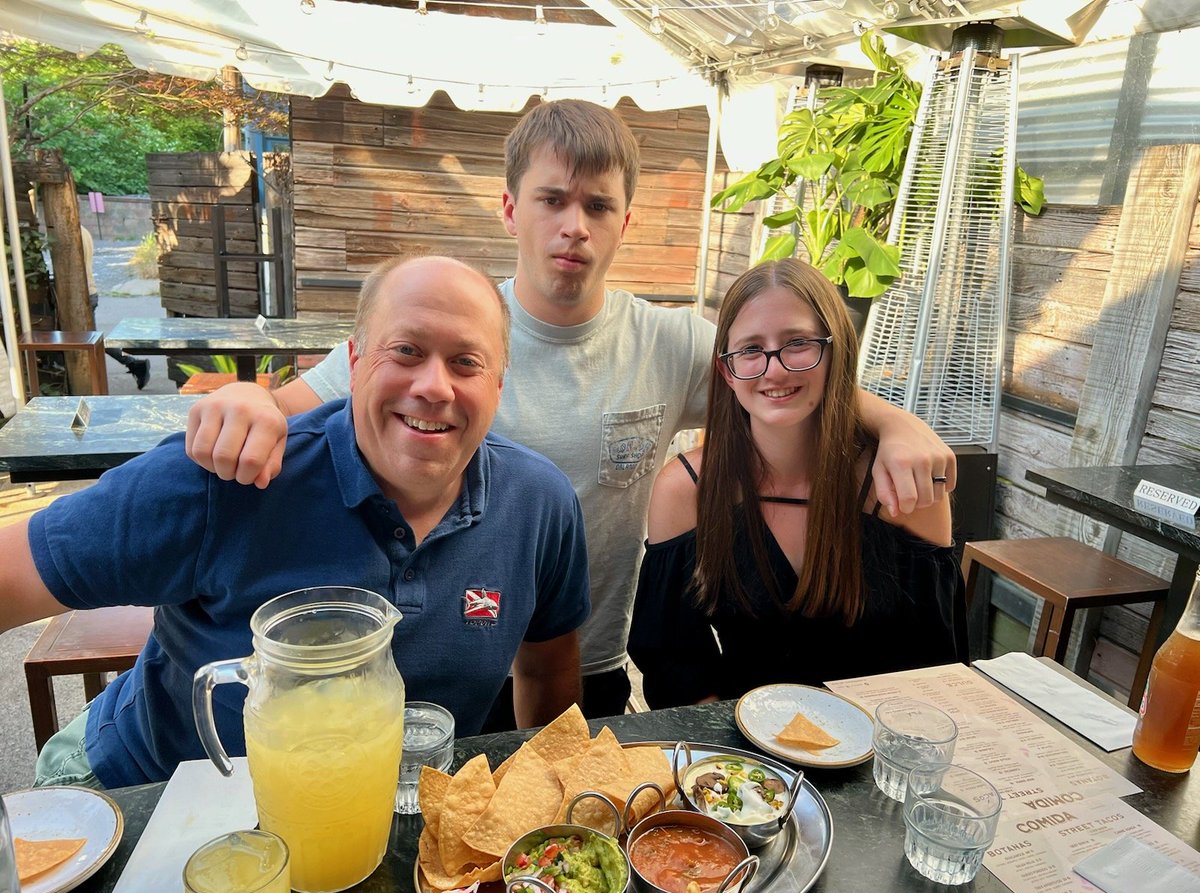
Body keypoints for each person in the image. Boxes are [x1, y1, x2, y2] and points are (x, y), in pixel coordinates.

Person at [183, 100, 957, 724]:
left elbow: (784, 377)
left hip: (586, 667)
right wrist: (247, 396)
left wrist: (897, 424)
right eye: (553, 199)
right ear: (511, 208)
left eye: (598, 204)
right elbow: (287, 409)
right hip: (440, 666)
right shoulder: (449, 335)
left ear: (626, 220)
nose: (573, 225)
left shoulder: (668, 341)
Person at [0, 255, 589, 789]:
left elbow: (547, 669)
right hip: (144, 794)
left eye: (466, 362)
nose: (434, 386)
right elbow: (12, 574)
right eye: (406, 351)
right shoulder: (229, 476)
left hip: (378, 812)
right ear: (354, 363)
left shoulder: (539, 503)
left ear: (498, 385)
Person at [627, 259, 964, 708]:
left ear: (835, 351)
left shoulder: (899, 489)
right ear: (727, 371)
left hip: (872, 750)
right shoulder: (687, 489)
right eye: (750, 349)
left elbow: (935, 666)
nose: (775, 370)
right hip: (741, 752)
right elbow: (674, 662)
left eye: (798, 343)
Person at [81, 226, 150, 389]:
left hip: (83, 294)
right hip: (89, 291)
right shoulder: (84, 231)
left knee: (91, 340)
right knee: (92, 339)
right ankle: (133, 364)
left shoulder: (74, 234)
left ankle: (133, 363)